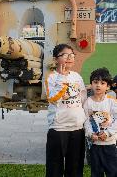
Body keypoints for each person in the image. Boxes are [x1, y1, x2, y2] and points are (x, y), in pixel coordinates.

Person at [45, 44, 87, 177]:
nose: (70, 58)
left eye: (72, 55)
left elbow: (83, 100)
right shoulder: (51, 78)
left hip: (77, 129)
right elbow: (53, 98)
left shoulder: (77, 77)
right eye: (65, 55)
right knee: (54, 167)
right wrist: (62, 78)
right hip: (59, 128)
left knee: (75, 168)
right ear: (56, 59)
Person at [84, 67, 117, 177]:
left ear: (107, 86)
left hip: (110, 144)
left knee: (113, 172)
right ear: (91, 84)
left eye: (102, 83)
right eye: (95, 82)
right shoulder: (88, 102)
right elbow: (86, 121)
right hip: (94, 145)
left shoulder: (111, 102)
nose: (98, 85)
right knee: (96, 172)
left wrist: (108, 133)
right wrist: (90, 133)